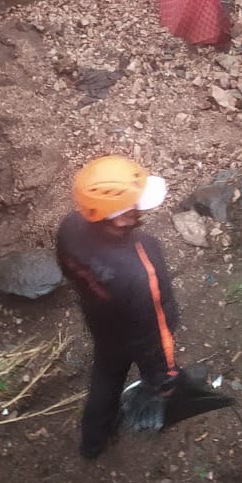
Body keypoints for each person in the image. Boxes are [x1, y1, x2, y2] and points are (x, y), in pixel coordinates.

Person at [56, 156, 179, 460]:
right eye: (135, 206)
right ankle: (152, 402)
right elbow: (156, 331)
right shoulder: (141, 266)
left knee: (106, 375)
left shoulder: (70, 228)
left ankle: (92, 443)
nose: (139, 212)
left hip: (100, 318)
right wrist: (164, 376)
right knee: (139, 368)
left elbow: (69, 269)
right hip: (136, 331)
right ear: (120, 217)